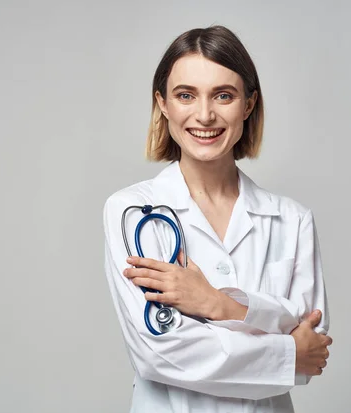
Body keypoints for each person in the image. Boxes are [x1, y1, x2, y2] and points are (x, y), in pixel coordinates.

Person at [102, 25, 332, 413]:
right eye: (186, 95)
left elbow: (312, 344)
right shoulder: (132, 212)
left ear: (248, 104)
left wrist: (216, 303)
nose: (205, 115)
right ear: (163, 103)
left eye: (223, 95)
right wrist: (284, 352)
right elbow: (160, 352)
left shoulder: (292, 220)